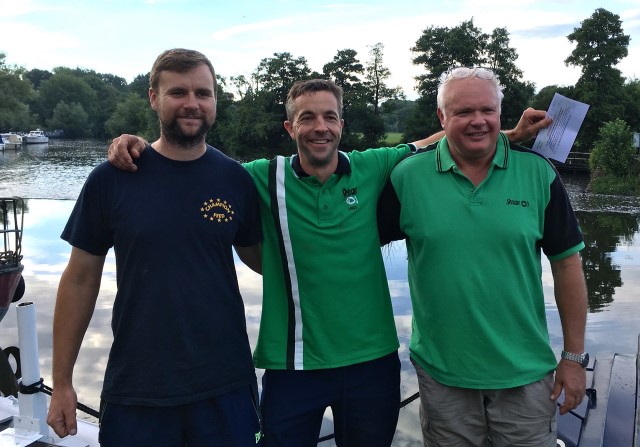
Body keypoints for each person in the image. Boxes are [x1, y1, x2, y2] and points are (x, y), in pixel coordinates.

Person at [108, 79, 550, 446]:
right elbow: (193, 166)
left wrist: (509, 135)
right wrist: (141, 148)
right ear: (289, 126)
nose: (320, 127)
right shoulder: (259, 177)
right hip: (292, 367)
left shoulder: (374, 167)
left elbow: (442, 141)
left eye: (329, 117)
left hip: (372, 363)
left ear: (342, 124)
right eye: (307, 118)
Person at [46, 48, 263, 446]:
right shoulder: (112, 179)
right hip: (138, 387)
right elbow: (78, 280)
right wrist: (62, 383)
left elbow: (265, 261)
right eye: (178, 92)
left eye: (203, 93)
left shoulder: (235, 179)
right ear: (153, 98)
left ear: (216, 100)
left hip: (225, 384)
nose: (192, 103)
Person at [378, 67, 588, 446]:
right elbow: (352, 249)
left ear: (500, 113)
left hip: (525, 373)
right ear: (442, 118)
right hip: (443, 377)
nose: (478, 121)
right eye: (462, 112)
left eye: (487, 110)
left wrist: (573, 358)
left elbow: (568, 266)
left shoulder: (539, 173)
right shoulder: (406, 177)